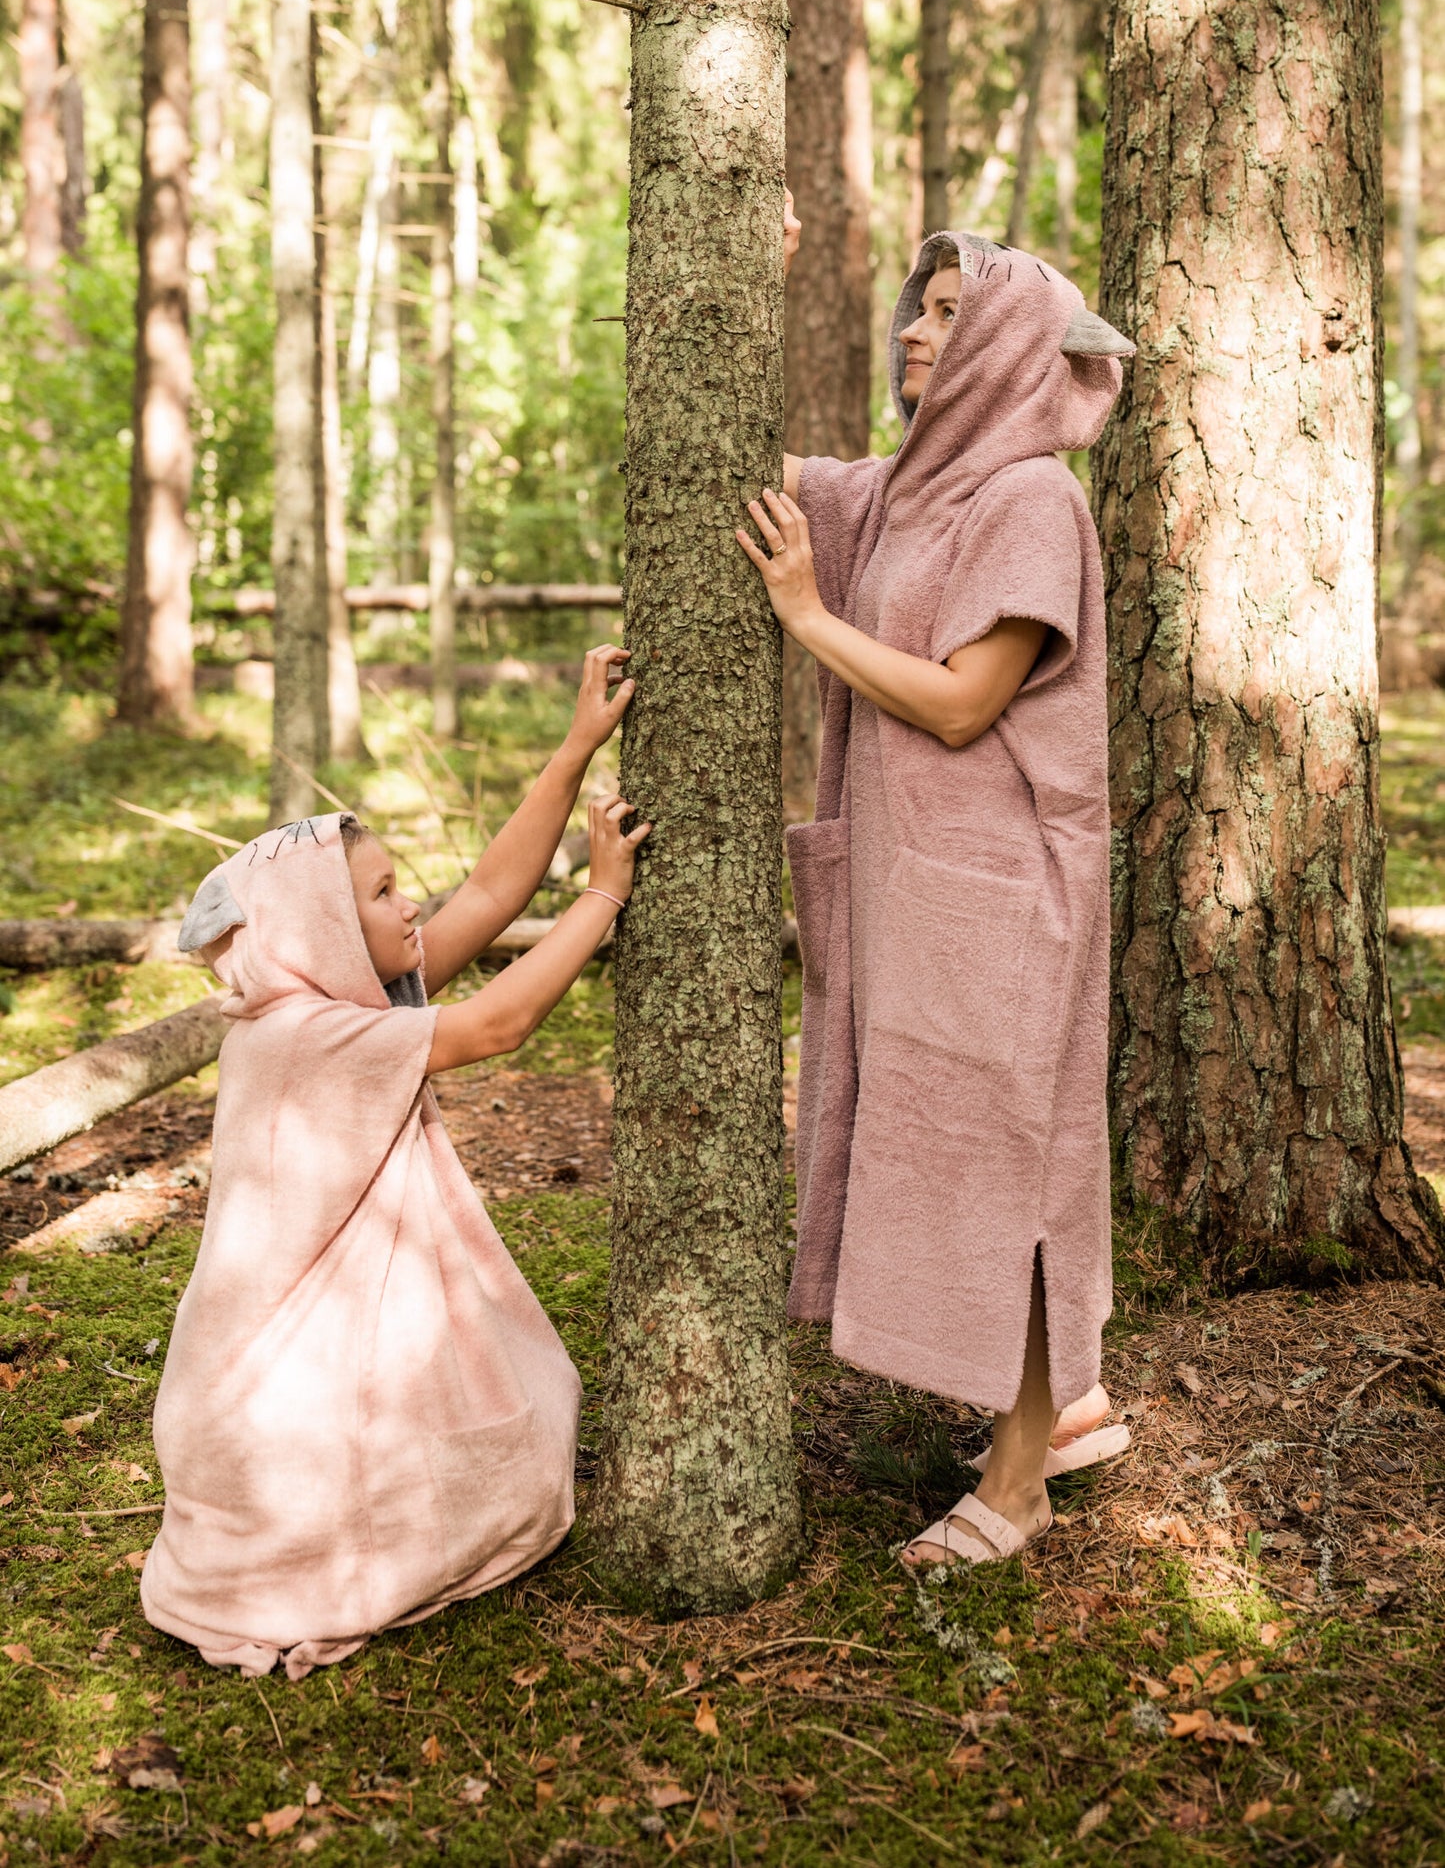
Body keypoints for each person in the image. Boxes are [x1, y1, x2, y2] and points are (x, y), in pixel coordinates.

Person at [739, 219, 1132, 1569]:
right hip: (927, 896)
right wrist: (756, 272)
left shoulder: (1030, 498)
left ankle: (1020, 1482)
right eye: (921, 305)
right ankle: (1057, 1411)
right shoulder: (908, 485)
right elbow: (751, 469)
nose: (915, 327)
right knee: (950, 1153)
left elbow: (968, 706)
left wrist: (807, 622)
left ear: (1008, 348)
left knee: (1009, 1166)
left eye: (949, 312)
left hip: (1006, 897)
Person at [140, 647, 649, 1677]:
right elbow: (499, 1023)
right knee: (484, 1471)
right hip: (261, 1391)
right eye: (377, 894)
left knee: (516, 1430)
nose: (406, 903)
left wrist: (575, 744)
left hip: (306, 1354)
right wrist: (602, 896)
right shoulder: (299, 1033)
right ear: (321, 927)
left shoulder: (333, 995)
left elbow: (489, 893)